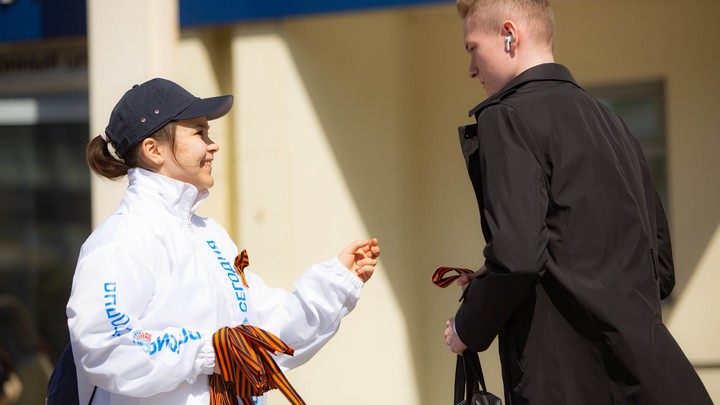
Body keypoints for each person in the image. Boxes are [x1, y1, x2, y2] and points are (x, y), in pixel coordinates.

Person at [442, 1, 712, 404]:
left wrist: (467, 327)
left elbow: (516, 258)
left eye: (472, 48)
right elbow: (661, 271)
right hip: (660, 384)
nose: (471, 70)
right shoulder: (614, 125)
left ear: (509, 35)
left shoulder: (507, 116)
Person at [66, 78, 380, 405]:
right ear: (153, 150)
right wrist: (208, 351)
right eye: (199, 132)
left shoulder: (208, 234)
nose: (213, 144)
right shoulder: (122, 239)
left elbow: (262, 329)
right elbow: (104, 346)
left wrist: (337, 282)